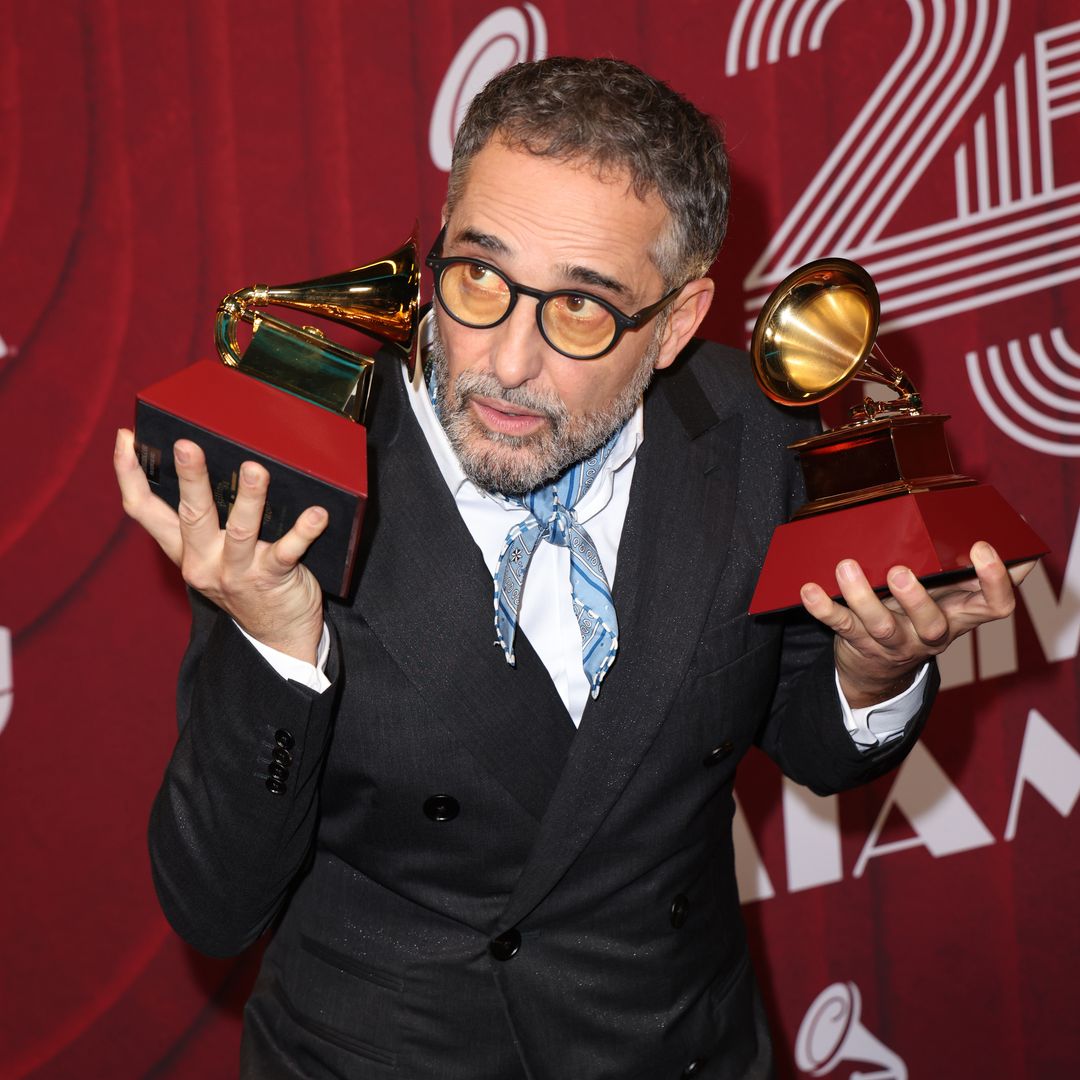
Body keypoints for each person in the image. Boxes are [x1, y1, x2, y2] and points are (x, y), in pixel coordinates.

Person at [114, 57, 1026, 1080]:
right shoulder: (297, 472)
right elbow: (215, 905)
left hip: (680, 1048)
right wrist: (277, 642)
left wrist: (874, 673)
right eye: (477, 278)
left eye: (583, 309)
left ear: (677, 323)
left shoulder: (755, 437)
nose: (505, 362)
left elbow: (814, 742)